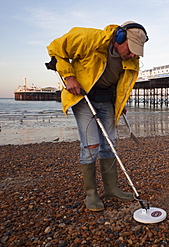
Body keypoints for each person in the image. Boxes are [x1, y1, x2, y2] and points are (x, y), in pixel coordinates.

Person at [46, 21, 149, 211]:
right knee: (91, 145)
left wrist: (121, 103)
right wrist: (69, 76)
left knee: (109, 144)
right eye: (131, 48)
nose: (133, 54)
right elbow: (55, 49)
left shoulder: (131, 60)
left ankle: (112, 189)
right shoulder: (90, 39)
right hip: (83, 97)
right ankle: (91, 194)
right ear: (119, 37)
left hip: (107, 100)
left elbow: (123, 83)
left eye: (137, 51)